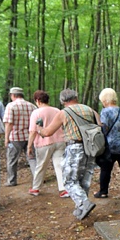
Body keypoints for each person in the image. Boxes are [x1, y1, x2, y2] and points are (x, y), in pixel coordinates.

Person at [35, 89, 99, 220]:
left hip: (74, 147)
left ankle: (84, 203)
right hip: (91, 147)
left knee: (69, 180)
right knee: (83, 180)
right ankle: (81, 209)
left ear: (62, 101)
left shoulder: (64, 113)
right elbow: (101, 125)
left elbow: (48, 132)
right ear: (76, 97)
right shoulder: (90, 110)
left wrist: (39, 129)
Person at [27, 90, 68, 197]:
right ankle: (63, 189)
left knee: (41, 166)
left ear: (38, 100)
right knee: (59, 165)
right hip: (60, 141)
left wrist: (29, 146)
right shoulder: (57, 110)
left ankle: (36, 188)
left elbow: (33, 131)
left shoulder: (36, 113)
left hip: (43, 143)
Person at [2, 86, 37, 187]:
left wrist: (6, 138)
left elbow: (9, 123)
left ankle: (11, 181)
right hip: (30, 137)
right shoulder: (32, 106)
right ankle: (37, 178)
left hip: (15, 137)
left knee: (12, 160)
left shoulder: (11, 106)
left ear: (13, 95)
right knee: (32, 158)